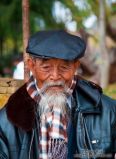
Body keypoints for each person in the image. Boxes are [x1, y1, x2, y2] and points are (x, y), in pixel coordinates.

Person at [0, 30, 116, 159]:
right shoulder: (6, 122)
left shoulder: (109, 112)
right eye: (46, 68)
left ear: (75, 66)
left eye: (64, 68)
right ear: (31, 65)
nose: (55, 77)